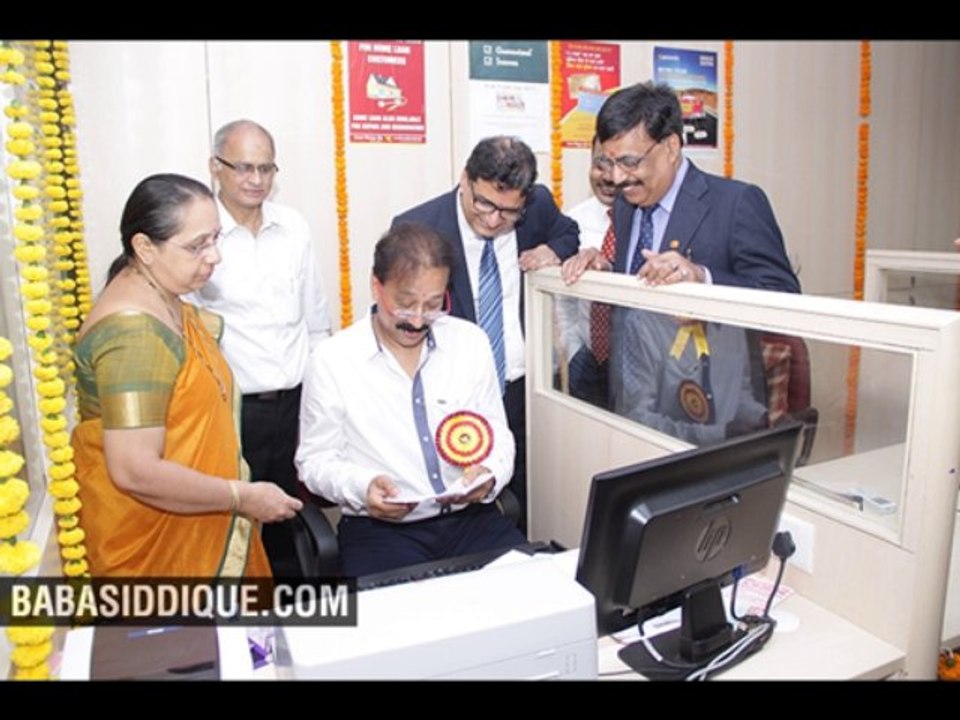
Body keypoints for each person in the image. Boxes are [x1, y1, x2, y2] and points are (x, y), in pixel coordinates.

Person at [72, 174, 302, 577]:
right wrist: (241, 497)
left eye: (215, 239)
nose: (214, 256)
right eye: (197, 245)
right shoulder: (134, 334)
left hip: (194, 519)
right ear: (144, 248)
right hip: (157, 550)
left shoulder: (162, 297)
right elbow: (135, 470)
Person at [295, 222, 524, 576]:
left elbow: (498, 435)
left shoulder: (470, 343)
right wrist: (362, 487)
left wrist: (491, 474)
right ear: (376, 286)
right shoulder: (332, 360)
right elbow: (314, 462)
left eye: (433, 305)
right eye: (404, 305)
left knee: (537, 593)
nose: (417, 320)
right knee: (404, 611)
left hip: (471, 521)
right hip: (381, 531)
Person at [392, 136, 580, 535]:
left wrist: (552, 250)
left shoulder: (538, 206)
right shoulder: (418, 228)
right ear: (465, 180)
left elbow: (569, 234)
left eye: (509, 212)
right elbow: (396, 314)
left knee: (526, 496)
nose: (494, 220)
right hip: (455, 398)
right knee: (461, 498)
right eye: (484, 204)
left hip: (522, 388)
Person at [188, 120, 331, 576]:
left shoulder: (293, 226)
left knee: (288, 522)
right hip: (231, 412)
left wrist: (322, 398)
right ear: (215, 167)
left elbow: (316, 320)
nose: (256, 180)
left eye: (266, 169)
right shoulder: (197, 234)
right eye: (244, 167)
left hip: (294, 406)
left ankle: (290, 607)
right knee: (233, 528)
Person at [561, 81, 800, 292]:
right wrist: (605, 269)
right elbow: (638, 281)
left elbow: (782, 293)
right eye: (608, 162)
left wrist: (702, 278)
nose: (617, 177)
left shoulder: (736, 204)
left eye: (629, 162)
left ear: (671, 147)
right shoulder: (625, 203)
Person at [616, 311, 769, 446]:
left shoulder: (732, 322)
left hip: (730, 456)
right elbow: (638, 419)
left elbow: (740, 394)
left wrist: (761, 418)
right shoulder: (643, 324)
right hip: (671, 459)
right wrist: (717, 434)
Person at [555, 135, 618, 408]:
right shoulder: (573, 221)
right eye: (600, 164)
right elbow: (564, 298)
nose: (608, 177)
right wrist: (573, 351)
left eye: (619, 164)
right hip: (587, 358)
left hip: (638, 364)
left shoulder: (649, 222)